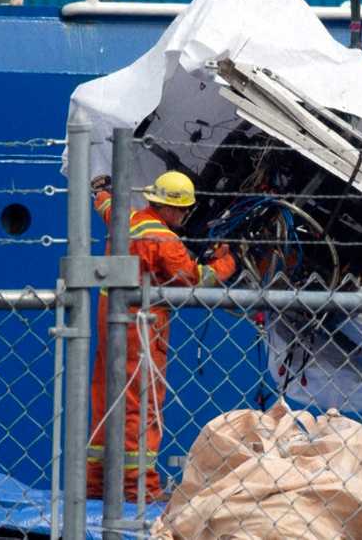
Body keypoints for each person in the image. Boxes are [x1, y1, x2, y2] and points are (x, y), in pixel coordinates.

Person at [87, 171, 237, 502]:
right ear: (169, 208)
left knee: (105, 400)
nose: (185, 217)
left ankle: (95, 485)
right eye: (183, 210)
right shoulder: (164, 240)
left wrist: (100, 191)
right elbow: (197, 280)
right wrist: (226, 261)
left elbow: (106, 204)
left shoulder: (126, 217)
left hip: (108, 315)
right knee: (141, 408)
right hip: (141, 326)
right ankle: (140, 488)